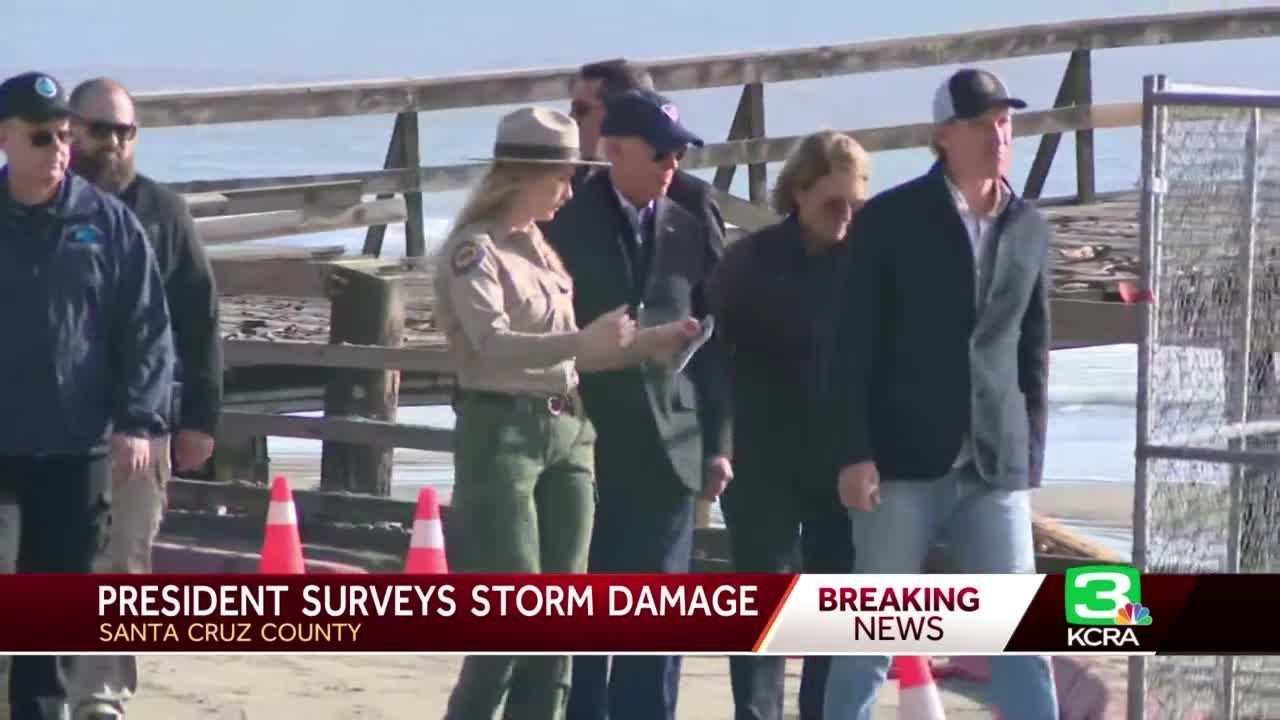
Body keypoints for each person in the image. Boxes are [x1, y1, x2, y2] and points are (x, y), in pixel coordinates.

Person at [435, 106, 699, 720]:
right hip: (502, 433)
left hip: (569, 429)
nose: (571, 188)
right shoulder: (475, 252)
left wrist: (644, 345)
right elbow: (492, 347)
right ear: (521, 175)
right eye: (561, 176)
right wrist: (583, 343)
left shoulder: (543, 251)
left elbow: (572, 358)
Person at [819, 68, 1057, 718]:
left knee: (1019, 638)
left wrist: (1028, 460)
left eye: (1005, 122)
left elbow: (1032, 354)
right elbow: (850, 346)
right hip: (900, 465)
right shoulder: (892, 219)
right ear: (944, 135)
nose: (998, 136)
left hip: (993, 468)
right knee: (870, 635)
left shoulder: (1030, 225)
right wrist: (854, 451)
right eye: (982, 124)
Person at [544, 88, 733, 720]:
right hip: (587, 442)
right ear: (617, 150)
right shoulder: (564, 222)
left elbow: (715, 341)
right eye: (661, 154)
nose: (672, 165)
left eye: (679, 153)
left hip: (673, 448)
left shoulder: (688, 219)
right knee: (590, 610)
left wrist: (720, 443)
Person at [0, 71, 174, 720]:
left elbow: (147, 330)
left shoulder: (106, 223)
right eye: (42, 138)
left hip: (75, 447)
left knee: (52, 618)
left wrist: (139, 420)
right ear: (5, 140)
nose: (59, 151)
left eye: (66, 137)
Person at [59, 77, 223, 720]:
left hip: (141, 422)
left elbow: (199, 317)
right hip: (50, 420)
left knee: (124, 562)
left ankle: (100, 698)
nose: (116, 143)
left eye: (127, 131)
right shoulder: (42, 206)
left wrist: (202, 418)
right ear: (72, 129)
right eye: (104, 129)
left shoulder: (162, 212)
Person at [706, 130, 870, 720]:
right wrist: (716, 447)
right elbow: (711, 361)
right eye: (833, 203)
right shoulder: (748, 263)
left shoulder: (869, 260)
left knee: (836, 607)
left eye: (857, 202)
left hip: (842, 462)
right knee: (762, 603)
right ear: (798, 193)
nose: (846, 217)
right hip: (760, 459)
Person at [568, 58, 726, 240]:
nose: (571, 119)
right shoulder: (564, 193)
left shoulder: (693, 201)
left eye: (581, 110)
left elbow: (716, 267)